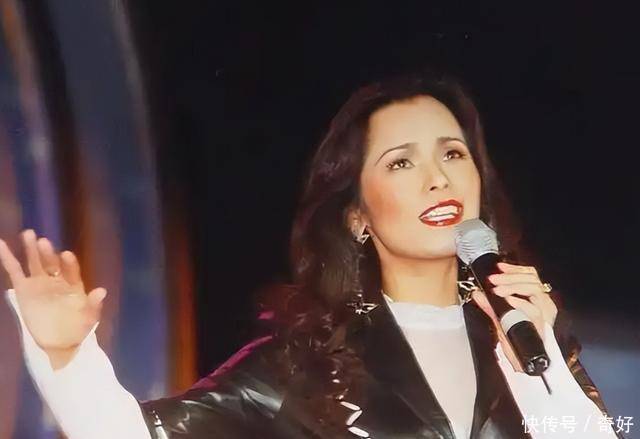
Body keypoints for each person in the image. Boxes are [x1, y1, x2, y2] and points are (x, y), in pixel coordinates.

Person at [1, 71, 622, 438]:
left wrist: (544, 366)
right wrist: (65, 355)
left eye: (453, 154)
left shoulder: (526, 339)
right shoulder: (306, 365)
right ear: (357, 216)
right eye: (401, 162)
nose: (439, 179)